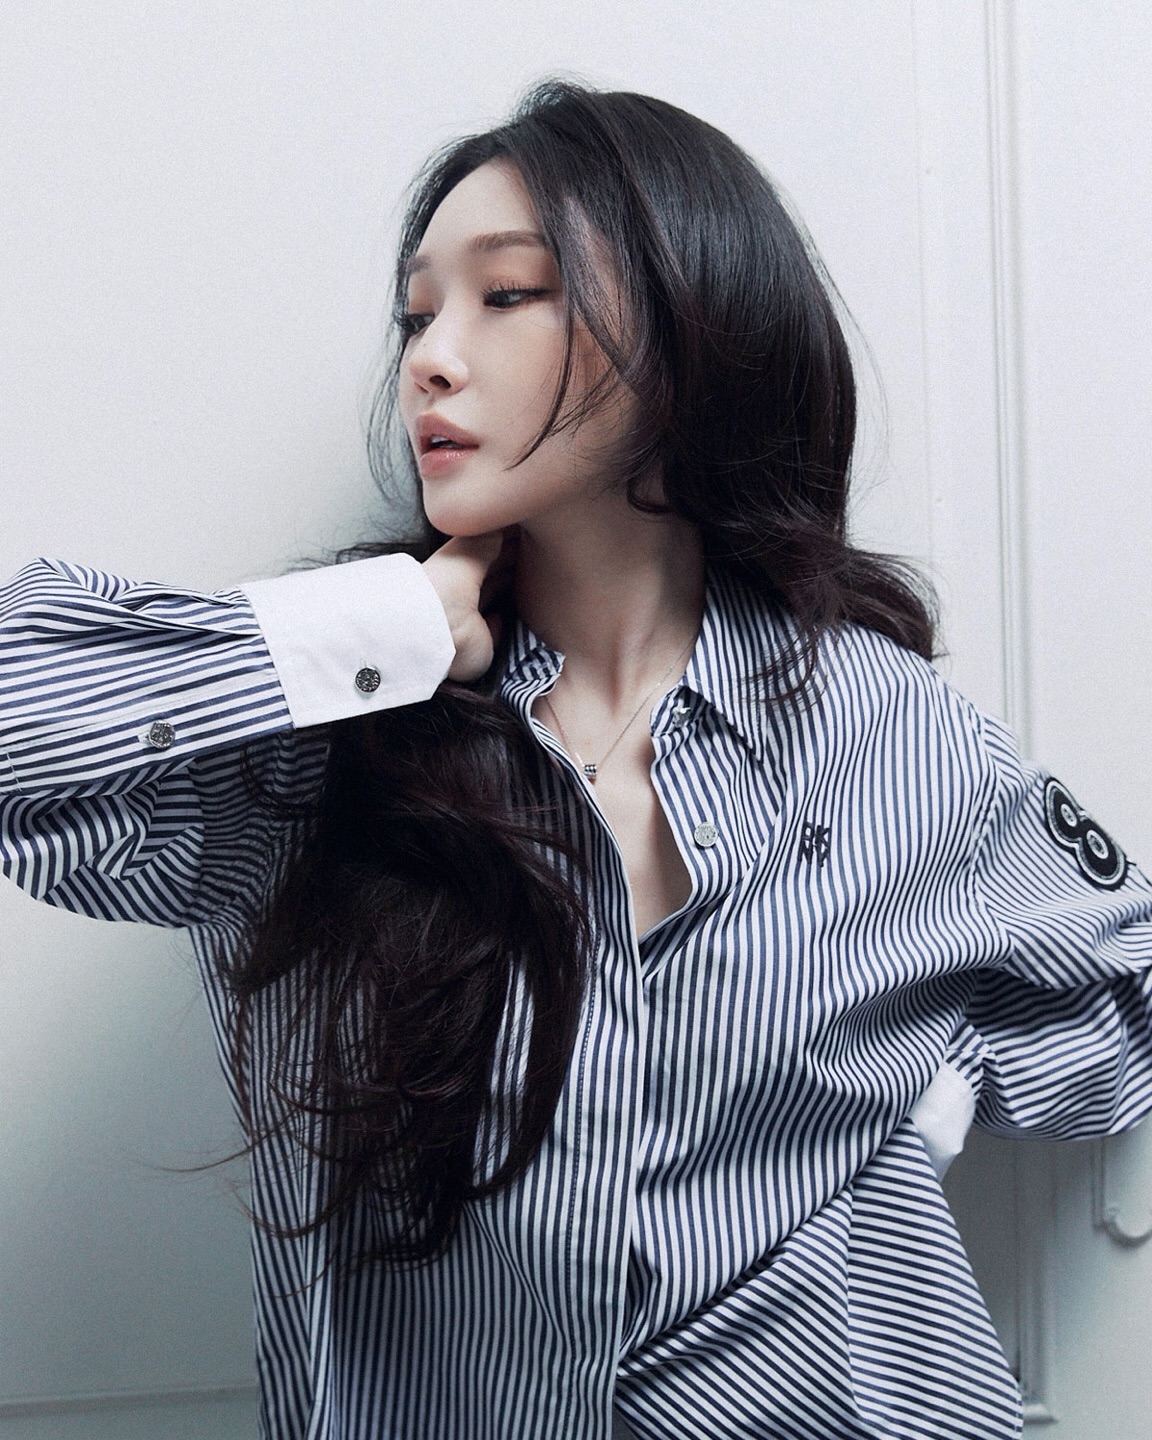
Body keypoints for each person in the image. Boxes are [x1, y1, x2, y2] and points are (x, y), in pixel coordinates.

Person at [1, 80, 1150, 1440]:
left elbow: (1124, 987)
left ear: (690, 326)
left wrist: (920, 1099)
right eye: (416, 315)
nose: (431, 358)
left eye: (508, 295)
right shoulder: (326, 740)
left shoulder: (888, 729)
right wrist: (376, 631)